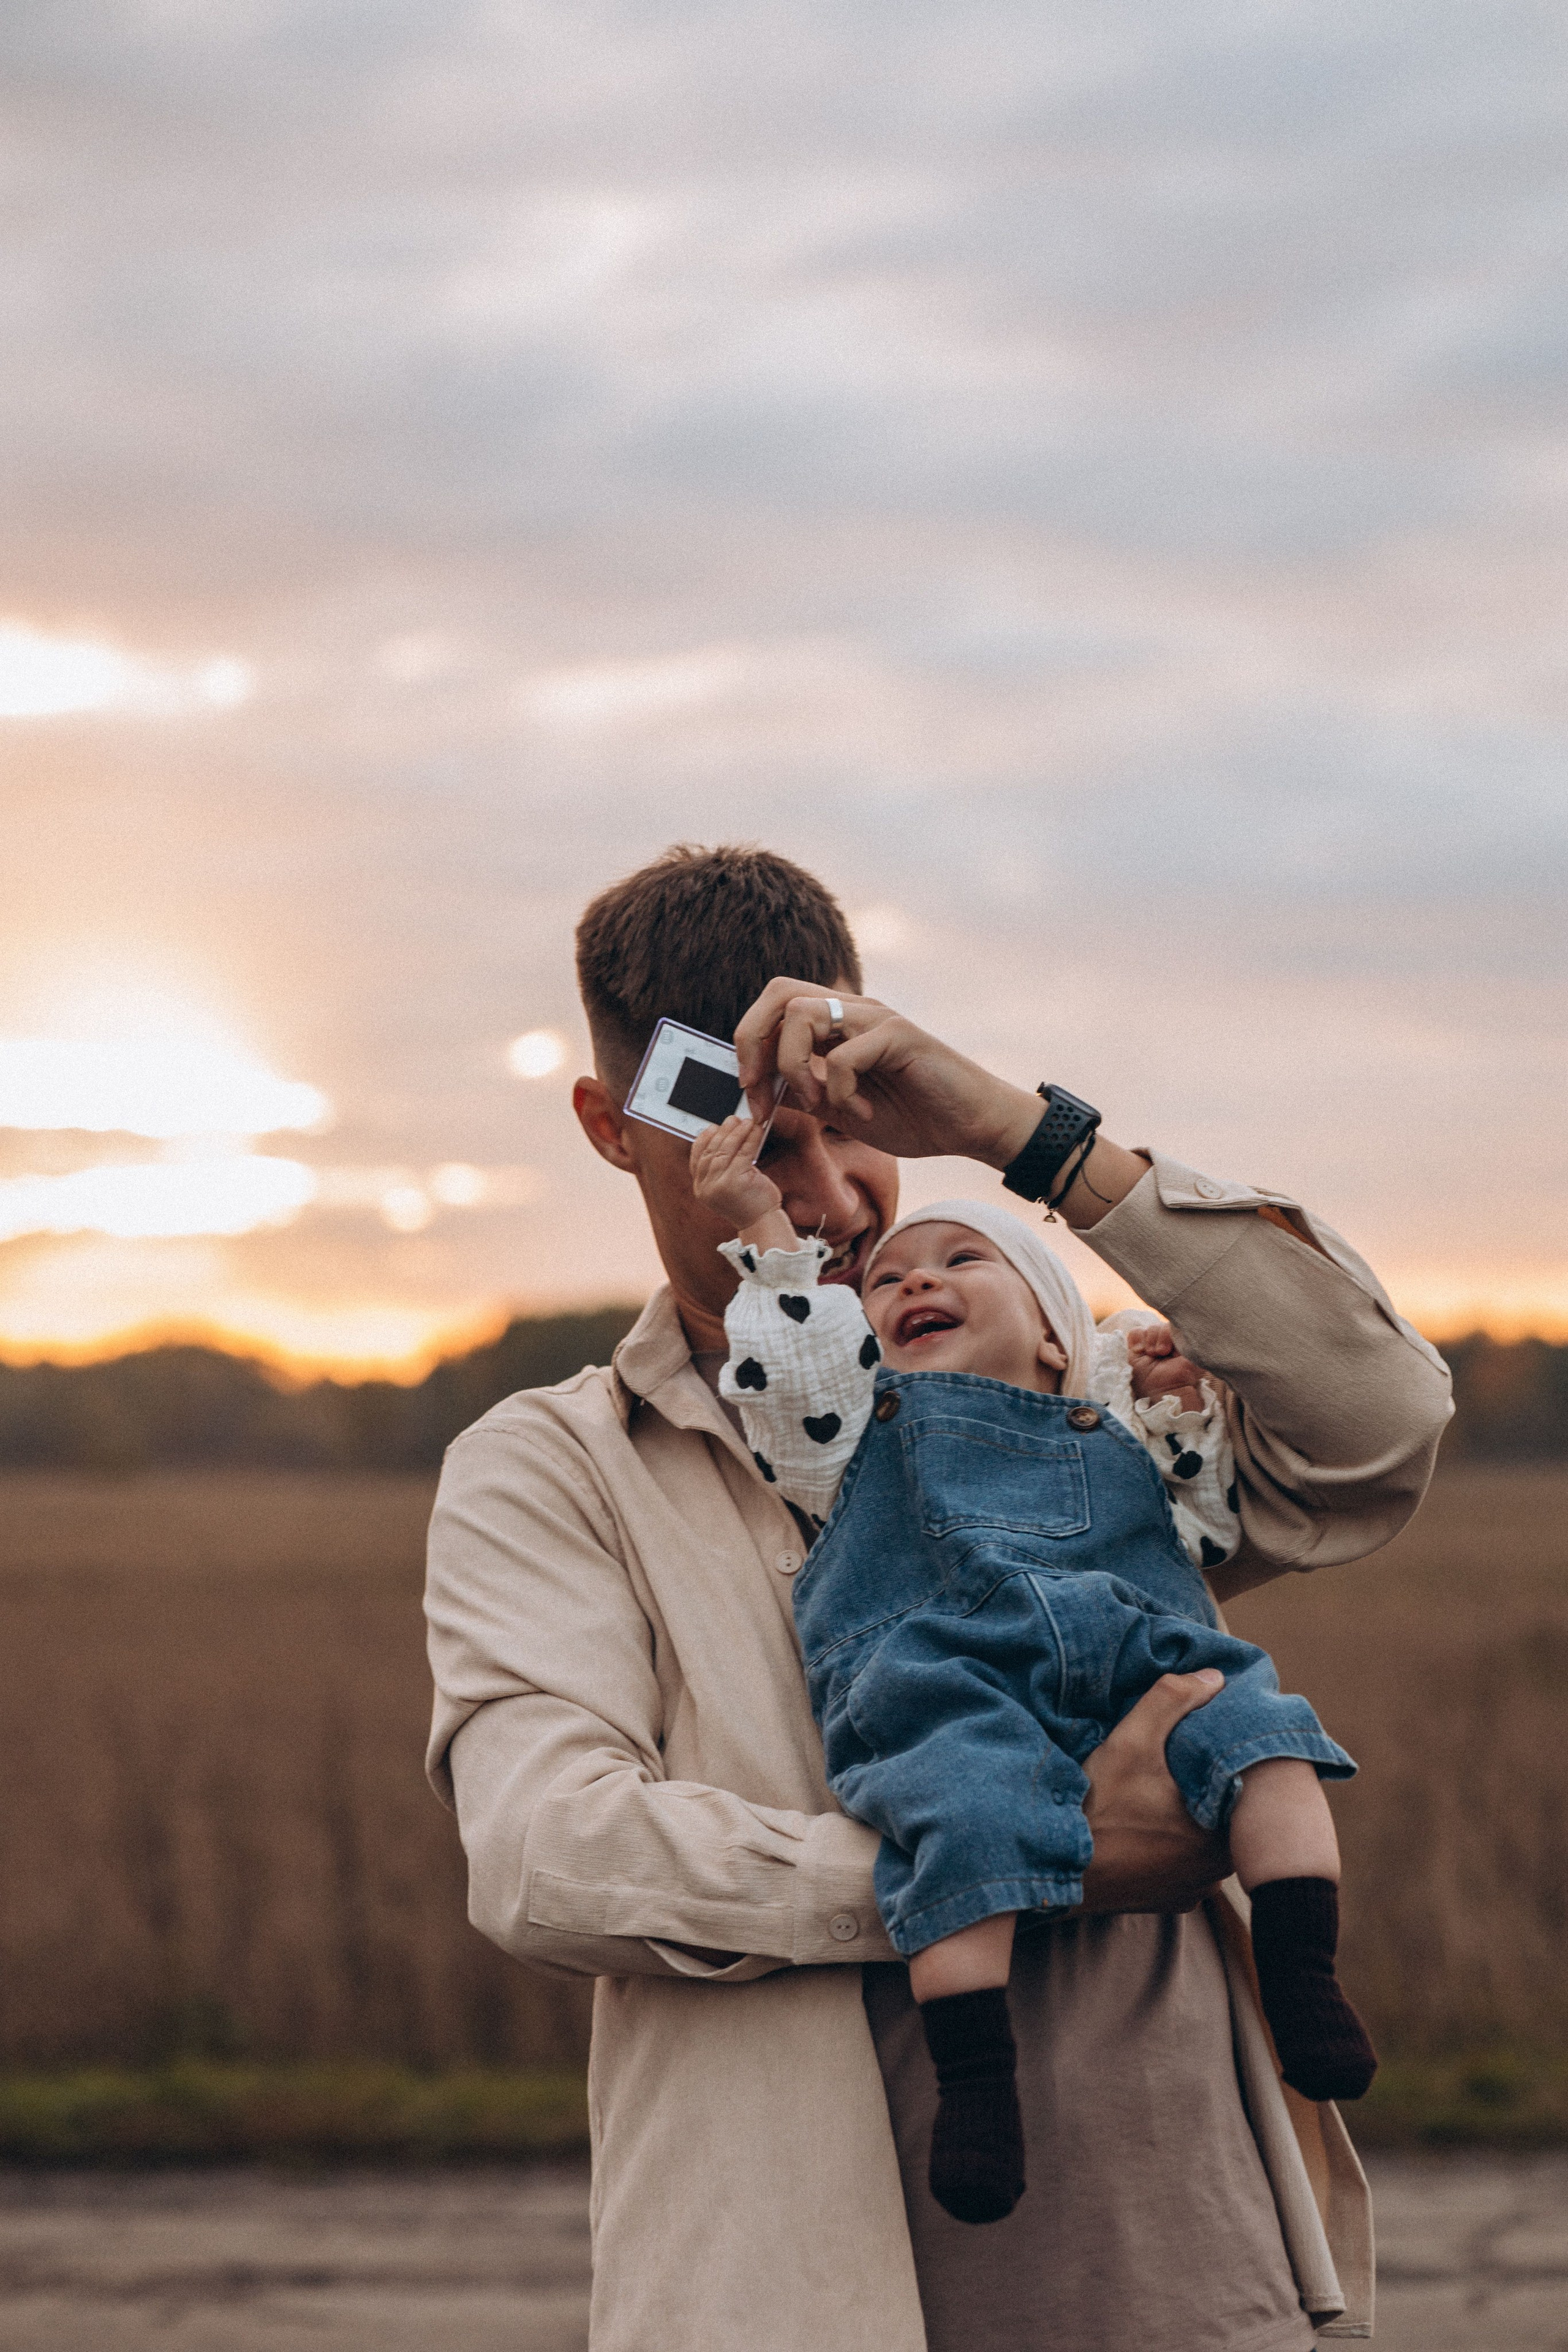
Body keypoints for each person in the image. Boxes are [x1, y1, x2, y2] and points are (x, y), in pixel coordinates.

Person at [424, 843, 1452, 2352]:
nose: (833, 1200)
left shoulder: (1059, 1403)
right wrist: (1022, 1862)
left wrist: (1023, 1138)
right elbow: (546, 1856)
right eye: (759, 1148)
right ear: (610, 1123)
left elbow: (1377, 1424)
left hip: (1189, 2237)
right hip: (802, 2285)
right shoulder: (555, 1467)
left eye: (850, 1134)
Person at [688, 1126, 1374, 2225]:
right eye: (889, 1280)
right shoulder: (851, 1433)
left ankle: (1304, 1978)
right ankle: (978, 2085)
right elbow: (802, 1372)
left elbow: (1195, 1530)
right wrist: (769, 1237)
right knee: (964, 1816)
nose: (916, 1277)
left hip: (1135, 1651)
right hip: (945, 1677)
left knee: (1266, 1736)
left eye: (965, 1261)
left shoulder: (1111, 1429)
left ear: (1059, 1340)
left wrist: (1184, 1407)